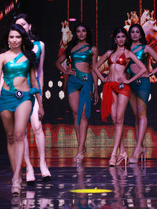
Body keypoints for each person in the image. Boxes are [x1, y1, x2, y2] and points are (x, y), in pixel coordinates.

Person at [0, 24, 44, 195]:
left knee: (19, 134)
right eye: (12, 37)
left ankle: (16, 179)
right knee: (10, 137)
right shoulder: (2, 57)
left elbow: (34, 81)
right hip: (5, 97)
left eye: (18, 37)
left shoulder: (29, 57)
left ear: (22, 38)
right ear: (8, 39)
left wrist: (40, 104)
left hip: (25, 97)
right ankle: (16, 176)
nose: (15, 40)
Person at [93, 27, 146, 166]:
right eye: (119, 37)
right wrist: (102, 78)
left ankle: (113, 154)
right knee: (114, 119)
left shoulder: (128, 53)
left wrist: (128, 81)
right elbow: (95, 67)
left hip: (123, 87)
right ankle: (122, 152)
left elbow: (143, 68)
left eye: (123, 36)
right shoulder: (109, 53)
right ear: (115, 39)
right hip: (110, 85)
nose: (121, 39)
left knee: (119, 118)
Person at [13, 14, 51, 184]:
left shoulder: (39, 45)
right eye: (17, 25)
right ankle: (28, 167)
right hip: (17, 90)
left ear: (29, 25)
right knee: (23, 130)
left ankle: (43, 164)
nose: (21, 27)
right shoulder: (14, 47)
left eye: (23, 24)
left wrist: (40, 94)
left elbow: (40, 71)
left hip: (34, 89)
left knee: (37, 125)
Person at [55, 23, 99, 164]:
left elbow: (95, 69)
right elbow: (58, 62)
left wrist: (96, 89)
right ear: (76, 33)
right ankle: (81, 145)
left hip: (86, 81)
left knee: (84, 114)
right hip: (73, 81)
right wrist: (66, 71)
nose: (81, 33)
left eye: (83, 31)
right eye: (78, 31)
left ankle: (80, 150)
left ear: (87, 33)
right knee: (76, 114)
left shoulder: (93, 49)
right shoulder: (71, 48)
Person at [126, 24, 157, 164]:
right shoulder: (125, 49)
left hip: (143, 83)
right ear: (129, 34)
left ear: (141, 34)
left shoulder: (146, 48)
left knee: (142, 113)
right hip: (130, 82)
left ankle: (137, 149)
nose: (135, 34)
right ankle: (141, 145)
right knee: (136, 115)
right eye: (132, 32)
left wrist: (151, 73)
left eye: (137, 32)